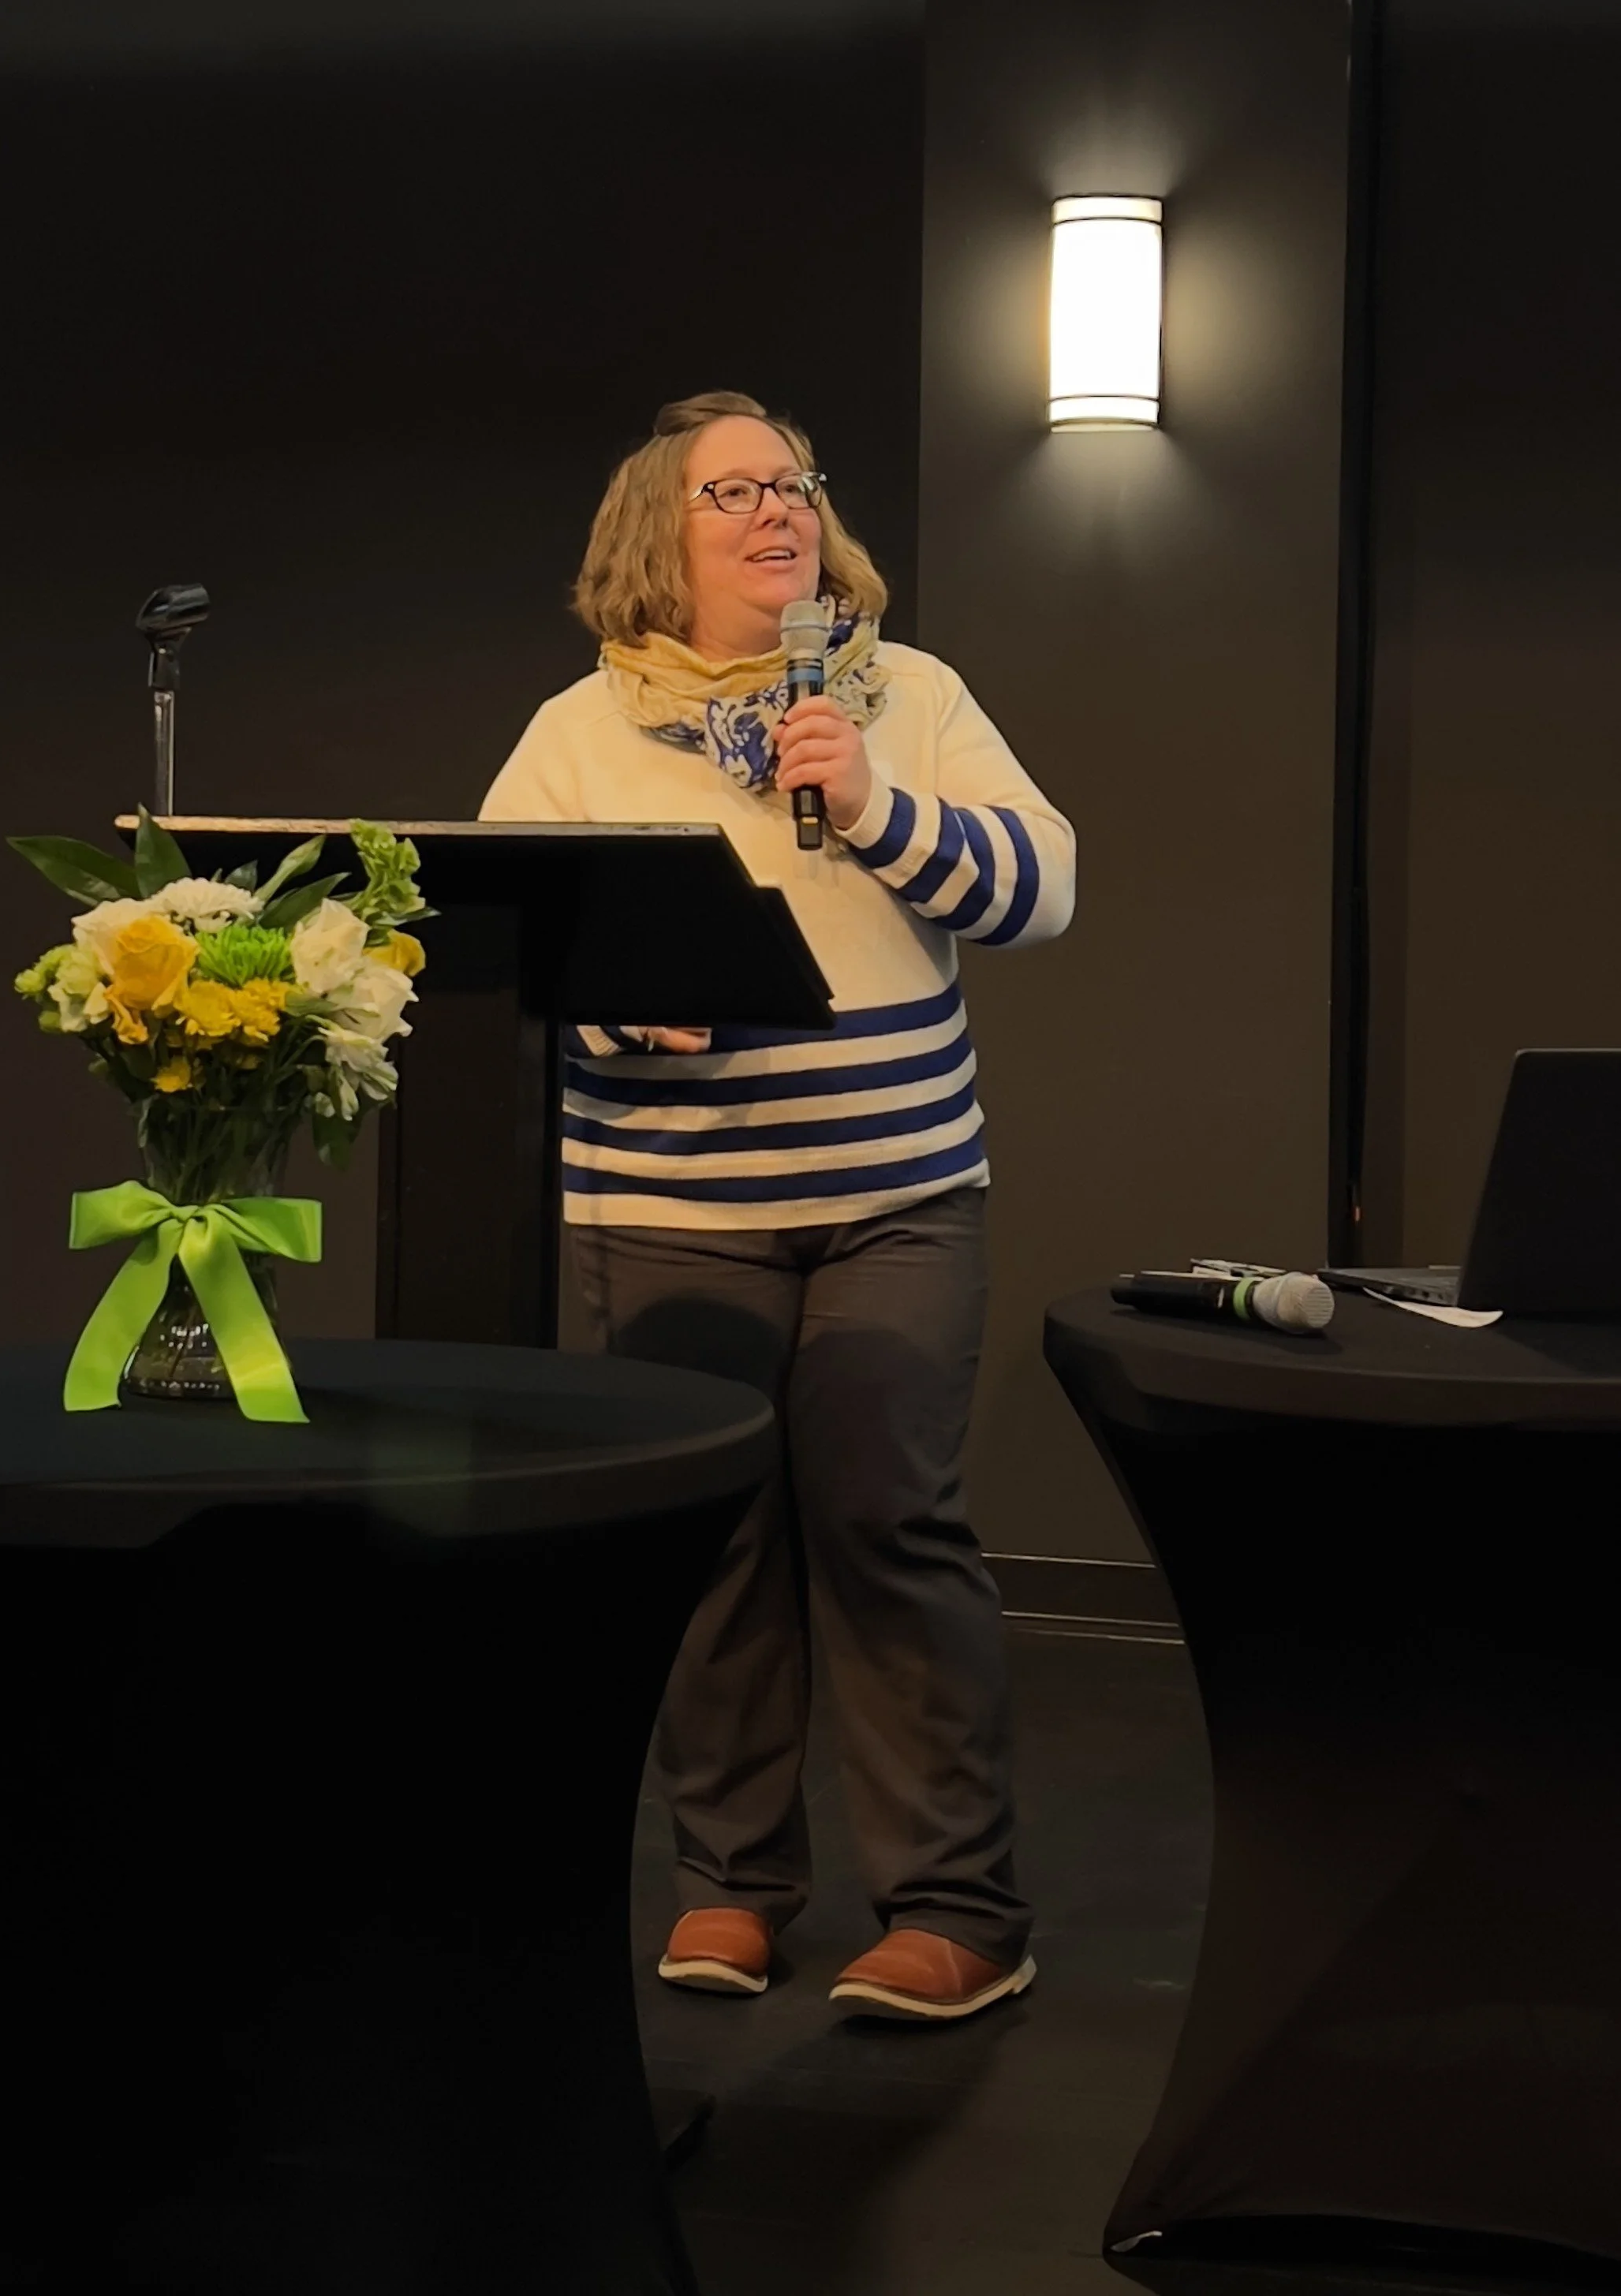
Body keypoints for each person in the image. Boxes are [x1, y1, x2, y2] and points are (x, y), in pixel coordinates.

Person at [480, 390, 1075, 2020]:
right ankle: (733, 1886)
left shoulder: (908, 697)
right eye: (732, 490)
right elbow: (509, 950)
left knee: (891, 1525)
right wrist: (619, 1004)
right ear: (655, 538)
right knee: (718, 1547)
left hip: (899, 1198)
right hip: (666, 1206)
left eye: (793, 482)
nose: (777, 508)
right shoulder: (579, 732)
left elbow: (1044, 889)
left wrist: (873, 802)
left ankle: (958, 1912)